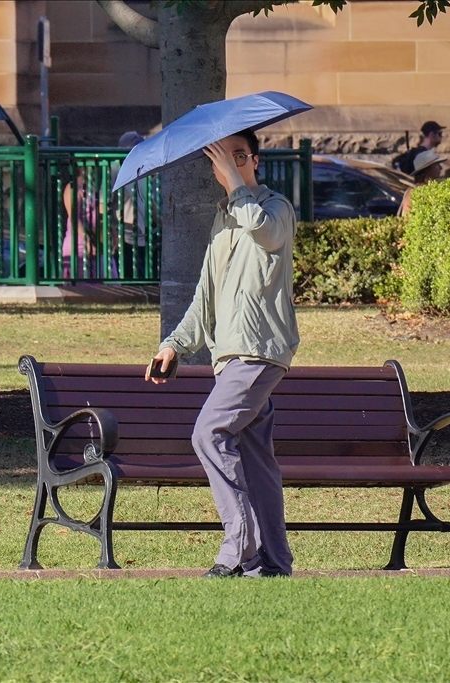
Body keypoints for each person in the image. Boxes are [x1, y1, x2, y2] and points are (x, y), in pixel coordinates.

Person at [146, 128, 301, 578]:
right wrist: (174, 345)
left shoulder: (275, 208)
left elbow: (268, 236)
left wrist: (236, 184)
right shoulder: (224, 219)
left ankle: (241, 548)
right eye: (223, 158)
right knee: (256, 458)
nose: (232, 164)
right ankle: (274, 561)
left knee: (208, 434)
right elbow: (205, 297)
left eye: (240, 156)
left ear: (255, 160)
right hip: (229, 354)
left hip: (259, 349)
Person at [116, 131, 149, 280]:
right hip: (124, 235)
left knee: (142, 277)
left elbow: (150, 202)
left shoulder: (142, 172)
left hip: (143, 234)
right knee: (129, 276)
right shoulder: (114, 170)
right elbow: (104, 205)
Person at [62, 166, 98, 279]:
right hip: (79, 245)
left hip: (96, 243)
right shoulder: (73, 187)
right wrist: (87, 240)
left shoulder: (93, 187)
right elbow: (74, 217)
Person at [398, 149, 446, 217]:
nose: (441, 168)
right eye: (437, 165)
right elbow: (407, 217)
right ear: (427, 170)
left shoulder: (435, 188)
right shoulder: (414, 192)